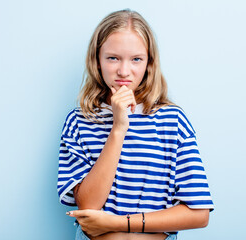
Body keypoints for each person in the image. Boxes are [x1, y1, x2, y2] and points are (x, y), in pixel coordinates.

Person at [57, 9, 214, 240]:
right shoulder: (79, 121)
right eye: (113, 58)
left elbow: (199, 214)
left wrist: (118, 223)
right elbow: (88, 205)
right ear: (97, 61)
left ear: (149, 63)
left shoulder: (172, 121)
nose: (123, 71)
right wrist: (118, 129)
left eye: (136, 59)